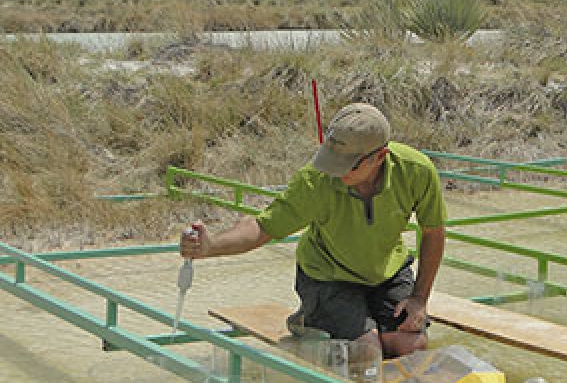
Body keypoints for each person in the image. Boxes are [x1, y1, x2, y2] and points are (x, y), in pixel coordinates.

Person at [180, 102, 447, 359]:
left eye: (347, 165)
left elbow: (433, 232)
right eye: (331, 160)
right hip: (328, 276)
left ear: (380, 157)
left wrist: (419, 299)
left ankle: (358, 323)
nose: (335, 171)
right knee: (366, 354)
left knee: (412, 346)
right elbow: (262, 227)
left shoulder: (417, 171)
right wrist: (211, 246)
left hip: (386, 272)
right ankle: (313, 319)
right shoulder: (316, 180)